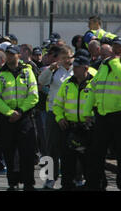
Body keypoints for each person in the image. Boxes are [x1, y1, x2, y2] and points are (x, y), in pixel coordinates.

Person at [0, 45, 39, 191]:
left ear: (18, 55)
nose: (10, 57)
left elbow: (33, 94)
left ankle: (29, 184)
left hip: (24, 117)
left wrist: (20, 111)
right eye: (8, 54)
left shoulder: (27, 72)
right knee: (9, 152)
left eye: (12, 54)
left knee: (28, 152)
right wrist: (9, 112)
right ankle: (12, 183)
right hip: (6, 119)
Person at [85, 37, 121, 191]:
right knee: (97, 153)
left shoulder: (115, 64)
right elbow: (94, 88)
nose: (116, 50)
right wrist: (87, 111)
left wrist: (114, 62)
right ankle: (97, 184)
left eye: (119, 47)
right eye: (115, 47)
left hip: (119, 115)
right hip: (102, 116)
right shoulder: (104, 65)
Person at [53, 55, 94, 190]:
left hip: (87, 129)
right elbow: (57, 104)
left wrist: (93, 118)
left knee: (88, 162)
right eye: (74, 66)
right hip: (69, 128)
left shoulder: (94, 84)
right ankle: (67, 186)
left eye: (77, 67)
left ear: (86, 68)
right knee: (67, 162)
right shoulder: (67, 84)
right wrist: (60, 118)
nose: (74, 69)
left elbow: (100, 104)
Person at [38, 45, 74, 189]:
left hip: (71, 113)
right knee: (51, 147)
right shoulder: (54, 71)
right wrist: (51, 69)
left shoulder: (75, 70)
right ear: (58, 59)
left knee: (70, 149)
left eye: (69, 57)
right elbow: (41, 81)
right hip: (53, 112)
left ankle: (71, 178)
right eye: (64, 58)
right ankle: (49, 179)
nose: (67, 60)